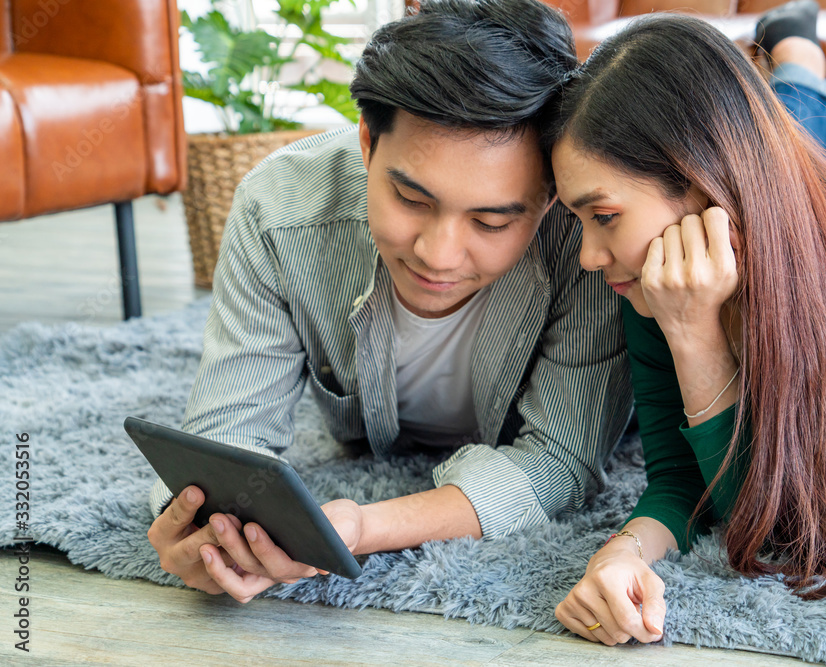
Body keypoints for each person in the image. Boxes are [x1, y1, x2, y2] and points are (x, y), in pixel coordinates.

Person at [146, 0, 633, 604]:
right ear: (367, 141)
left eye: (489, 222)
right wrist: (206, 525)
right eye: (411, 200)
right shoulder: (278, 209)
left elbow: (560, 462)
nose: (439, 254)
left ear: (550, 195)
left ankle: (793, 53)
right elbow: (224, 436)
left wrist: (362, 525)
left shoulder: (589, 243)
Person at [547, 8, 826, 645]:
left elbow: (786, 527)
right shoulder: (654, 288)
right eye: (578, 220)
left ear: (705, 185)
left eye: (605, 216)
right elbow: (685, 485)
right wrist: (620, 554)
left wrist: (697, 335)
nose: (590, 257)